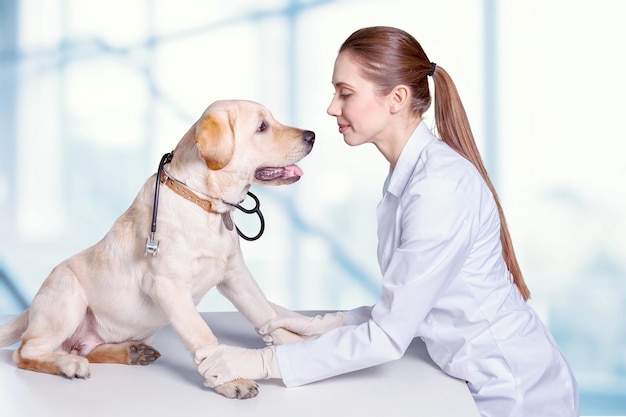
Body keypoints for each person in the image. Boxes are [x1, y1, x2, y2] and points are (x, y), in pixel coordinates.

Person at [195, 26, 579, 417]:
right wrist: (326, 325)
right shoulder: (412, 176)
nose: (332, 107)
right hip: (471, 378)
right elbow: (411, 304)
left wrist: (260, 364)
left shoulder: (439, 187)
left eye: (345, 93)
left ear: (396, 98)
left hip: (516, 391)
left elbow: (387, 337)